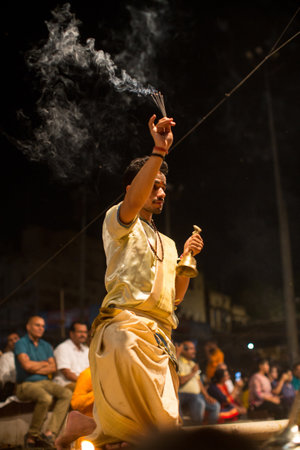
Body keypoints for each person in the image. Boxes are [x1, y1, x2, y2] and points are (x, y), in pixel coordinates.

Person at [55, 114, 204, 450]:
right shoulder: (120, 219)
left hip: (160, 337)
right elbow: (134, 201)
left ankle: (85, 428)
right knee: (143, 431)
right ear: (133, 187)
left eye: (164, 187)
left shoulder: (167, 242)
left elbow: (174, 300)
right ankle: (92, 431)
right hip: (125, 329)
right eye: (154, 185)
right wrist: (158, 151)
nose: (161, 192)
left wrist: (184, 260)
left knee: (163, 425)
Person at [14, 315, 72, 447]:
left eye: (43, 326)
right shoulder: (21, 343)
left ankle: (50, 433)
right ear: (28, 327)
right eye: (37, 325)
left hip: (45, 382)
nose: (41, 328)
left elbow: (53, 368)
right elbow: (26, 366)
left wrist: (35, 366)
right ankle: (32, 435)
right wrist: (44, 363)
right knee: (45, 398)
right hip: (25, 384)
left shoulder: (46, 345)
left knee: (66, 393)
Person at [178, 340, 220, 425]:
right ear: (184, 350)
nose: (194, 351)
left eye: (194, 348)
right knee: (199, 402)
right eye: (191, 349)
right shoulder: (179, 362)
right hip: (182, 394)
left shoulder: (193, 363)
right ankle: (197, 429)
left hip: (196, 395)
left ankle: (211, 431)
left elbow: (198, 381)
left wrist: (207, 396)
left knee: (215, 405)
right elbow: (181, 381)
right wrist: (193, 372)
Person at [53, 321, 89, 391]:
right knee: (88, 391)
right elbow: (67, 374)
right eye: (80, 332)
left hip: (84, 383)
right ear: (71, 334)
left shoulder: (87, 350)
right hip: (66, 383)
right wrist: (85, 383)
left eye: (85, 332)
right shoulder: (63, 348)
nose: (83, 335)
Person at [0, 332, 20, 401]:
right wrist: (15, 372)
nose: (14, 342)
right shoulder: (5, 357)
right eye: (10, 340)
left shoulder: (28, 354)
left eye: (15, 339)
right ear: (8, 343)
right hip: (13, 388)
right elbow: (3, 378)